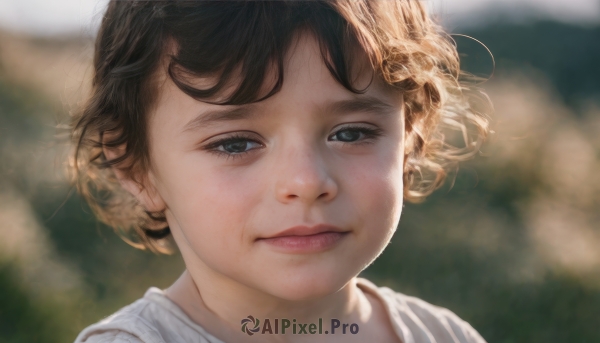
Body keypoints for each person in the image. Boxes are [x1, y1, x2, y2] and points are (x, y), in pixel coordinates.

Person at [72, 1, 490, 342]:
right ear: (136, 167)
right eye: (235, 144)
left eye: (351, 133)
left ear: (409, 141)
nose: (306, 183)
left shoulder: (445, 335)